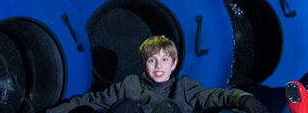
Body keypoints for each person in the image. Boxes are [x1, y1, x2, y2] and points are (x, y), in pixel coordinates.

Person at [47, 35, 266, 113]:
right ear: (144, 64)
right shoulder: (131, 85)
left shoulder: (184, 87)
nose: (158, 66)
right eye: (152, 60)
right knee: (125, 106)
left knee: (167, 108)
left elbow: (217, 95)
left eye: (164, 60)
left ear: (174, 64)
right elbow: (91, 100)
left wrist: (243, 98)